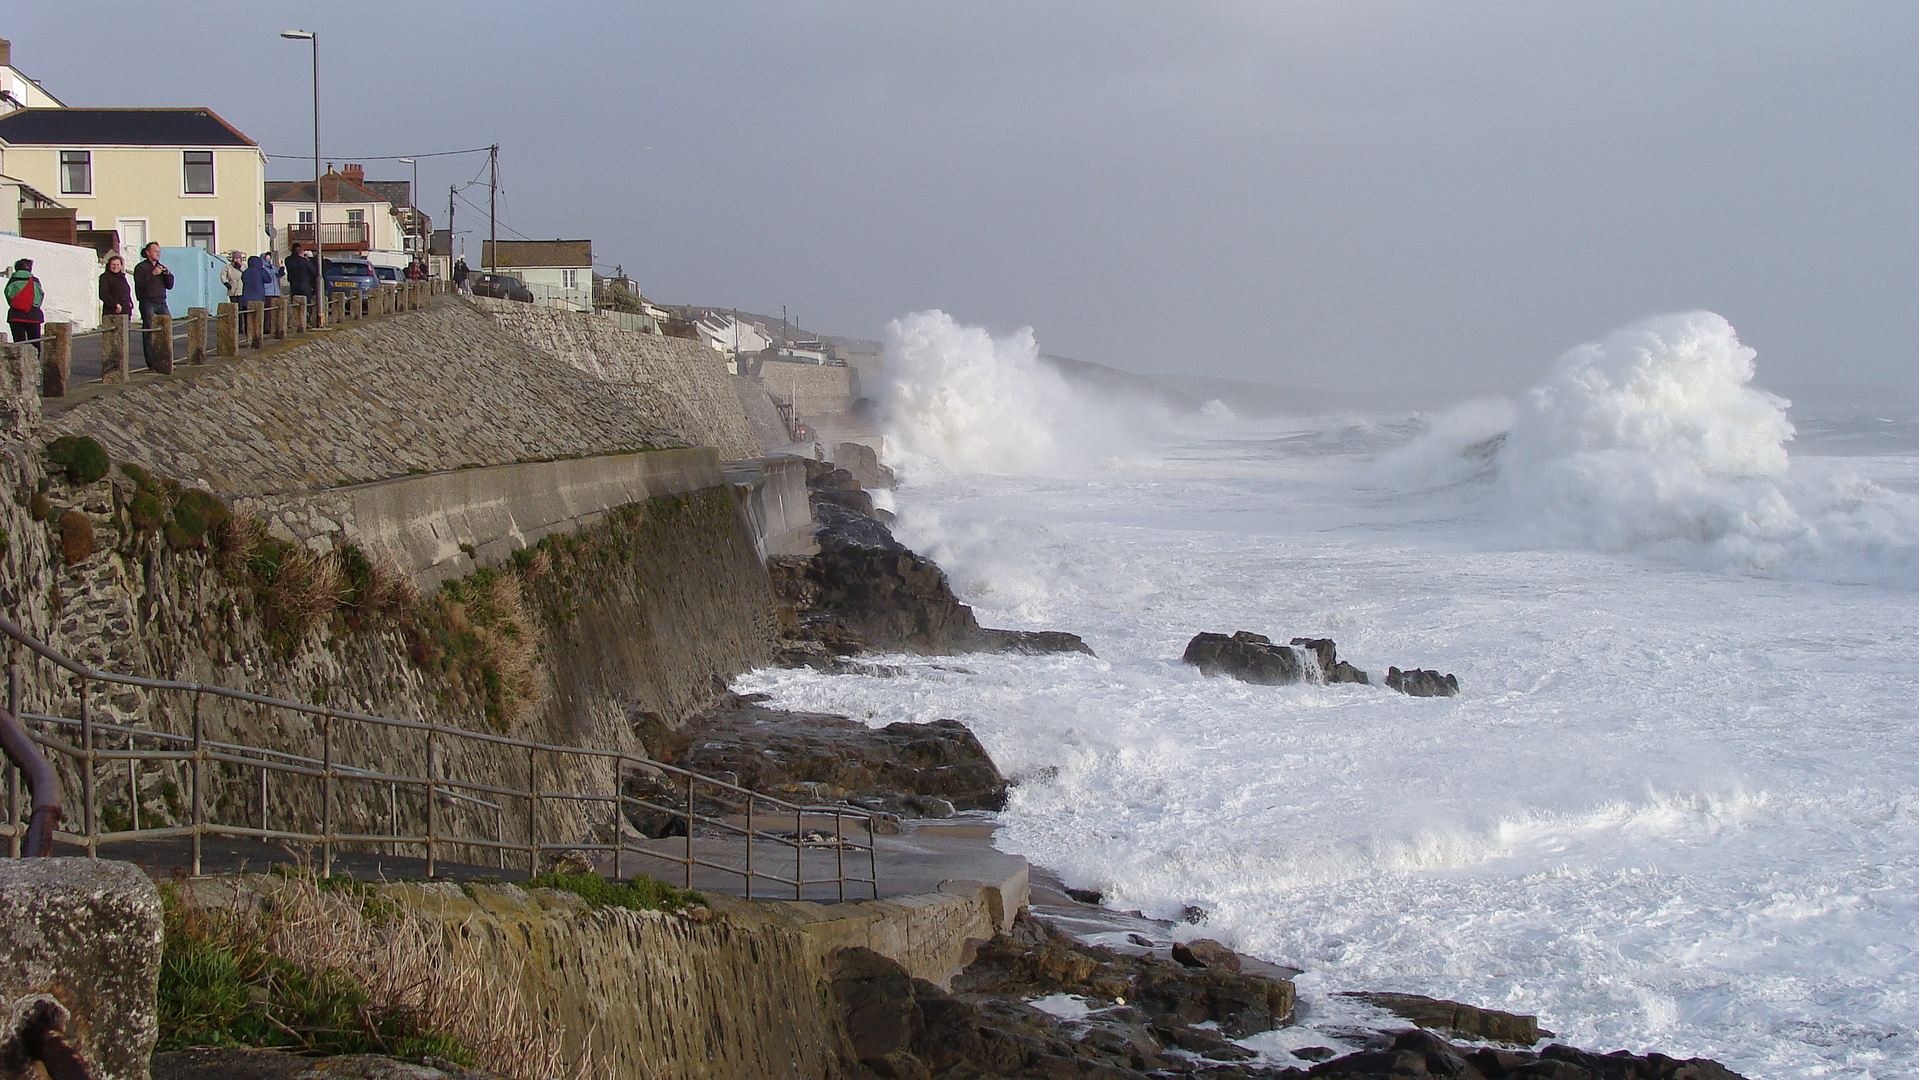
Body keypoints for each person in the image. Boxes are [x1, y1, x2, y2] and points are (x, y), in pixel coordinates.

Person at [132, 242, 173, 368]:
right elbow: (140, 284)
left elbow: (170, 285)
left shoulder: (160, 267)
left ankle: (166, 360)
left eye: (159, 252)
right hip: (148, 302)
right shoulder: (141, 268)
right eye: (155, 251)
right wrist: (152, 274)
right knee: (150, 333)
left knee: (166, 331)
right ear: (148, 253)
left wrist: (168, 275)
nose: (158, 254)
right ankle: (151, 363)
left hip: (162, 302)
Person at [4, 259, 43, 344]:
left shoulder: (12, 281)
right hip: (33, 316)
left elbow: (8, 295)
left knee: (19, 344)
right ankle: (34, 357)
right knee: (35, 343)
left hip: (15, 316)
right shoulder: (35, 281)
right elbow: (39, 296)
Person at [240, 255, 271, 336]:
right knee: (257, 320)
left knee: (247, 320)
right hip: (258, 298)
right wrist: (263, 268)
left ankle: (248, 335)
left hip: (246, 299)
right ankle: (256, 336)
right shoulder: (259, 271)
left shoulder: (245, 272)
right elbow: (268, 279)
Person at [98, 254, 133, 319]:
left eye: (117, 265)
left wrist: (130, 303)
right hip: (112, 311)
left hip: (125, 311)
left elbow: (126, 292)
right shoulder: (105, 277)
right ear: (109, 265)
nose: (115, 267)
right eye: (113, 265)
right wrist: (115, 304)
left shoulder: (122, 277)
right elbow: (103, 294)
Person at [222, 250, 246, 335]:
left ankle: (241, 327)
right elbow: (223, 276)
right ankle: (234, 325)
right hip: (232, 289)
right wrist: (226, 283)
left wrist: (240, 267)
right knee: (234, 308)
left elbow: (246, 273)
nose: (236, 260)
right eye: (235, 258)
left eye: (238, 258)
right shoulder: (228, 267)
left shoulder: (243, 266)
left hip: (241, 289)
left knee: (241, 309)